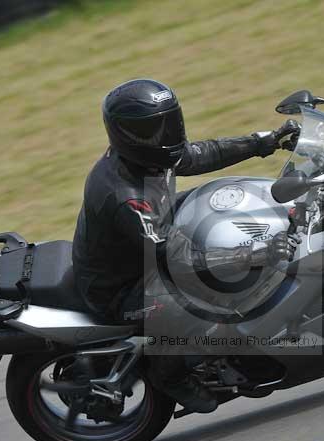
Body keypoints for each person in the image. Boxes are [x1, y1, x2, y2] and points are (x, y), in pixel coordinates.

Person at [72, 79, 299, 413]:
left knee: (220, 204)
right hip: (121, 287)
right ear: (129, 135)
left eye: (169, 122)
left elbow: (197, 155)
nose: (168, 134)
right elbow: (179, 262)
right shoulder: (126, 197)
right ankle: (168, 372)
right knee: (198, 302)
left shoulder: (148, 158)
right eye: (155, 129)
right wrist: (255, 254)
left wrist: (262, 142)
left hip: (150, 249)